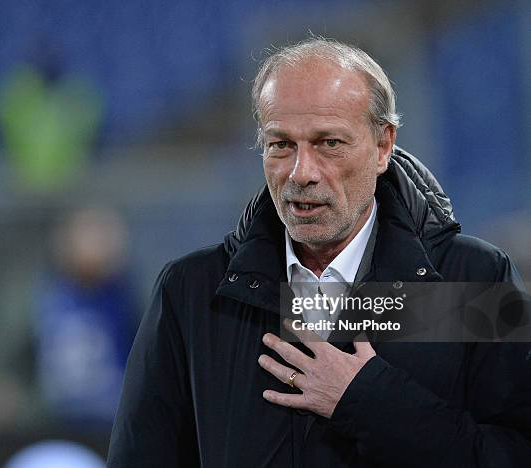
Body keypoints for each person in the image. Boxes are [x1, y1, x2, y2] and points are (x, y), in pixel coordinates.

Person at [107, 38, 531, 467]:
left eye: (329, 143)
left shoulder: (475, 280)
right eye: (280, 145)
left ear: (383, 146)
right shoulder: (192, 291)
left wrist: (371, 400)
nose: (301, 173)